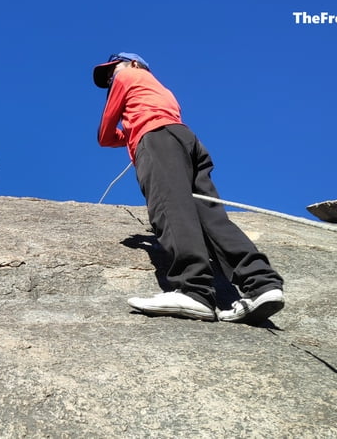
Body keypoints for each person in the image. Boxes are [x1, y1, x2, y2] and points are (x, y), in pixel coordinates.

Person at [93, 52, 285, 325]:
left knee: (170, 207)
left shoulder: (128, 76)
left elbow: (104, 135)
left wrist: (128, 132)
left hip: (157, 140)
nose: (112, 77)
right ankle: (262, 283)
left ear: (133, 64)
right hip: (185, 139)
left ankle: (193, 290)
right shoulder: (160, 90)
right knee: (210, 215)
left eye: (114, 69)